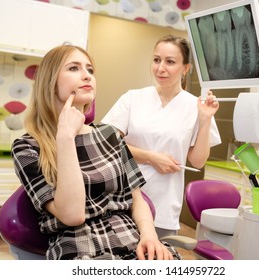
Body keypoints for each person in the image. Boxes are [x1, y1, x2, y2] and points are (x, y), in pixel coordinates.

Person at [11, 45, 180, 260]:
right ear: (50, 81)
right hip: (79, 249)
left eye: (90, 70)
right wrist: (65, 138)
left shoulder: (109, 134)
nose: (87, 76)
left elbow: (137, 199)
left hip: (132, 243)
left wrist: (150, 236)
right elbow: (72, 215)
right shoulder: (27, 147)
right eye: (74, 68)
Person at [101, 35, 221, 238]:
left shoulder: (196, 106)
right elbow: (106, 144)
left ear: (185, 68)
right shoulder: (133, 98)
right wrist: (151, 157)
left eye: (170, 62)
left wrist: (206, 119)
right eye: (156, 60)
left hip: (164, 207)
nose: (160, 68)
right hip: (123, 201)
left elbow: (198, 161)